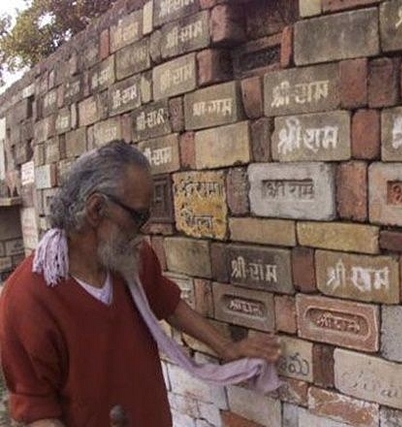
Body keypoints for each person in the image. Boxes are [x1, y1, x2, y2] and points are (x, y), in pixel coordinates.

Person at [0, 141, 281, 426]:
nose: (144, 229)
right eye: (139, 216)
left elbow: (169, 304)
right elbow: (38, 411)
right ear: (96, 209)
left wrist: (227, 348)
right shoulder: (26, 300)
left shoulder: (132, 261)